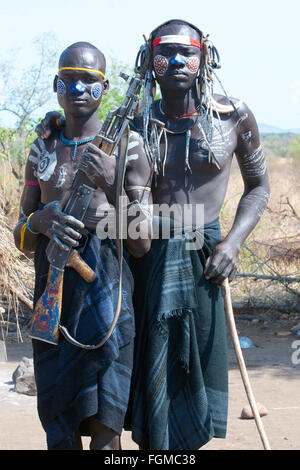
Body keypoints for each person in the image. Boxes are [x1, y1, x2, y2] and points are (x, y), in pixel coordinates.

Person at [36, 19, 270, 450]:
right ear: (148, 61)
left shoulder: (232, 115)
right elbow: (79, 125)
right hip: (140, 257)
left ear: (204, 58)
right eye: (166, 52)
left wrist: (233, 242)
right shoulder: (134, 122)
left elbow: (259, 187)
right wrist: (53, 122)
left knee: (190, 377)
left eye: (188, 52)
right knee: (140, 381)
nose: (178, 60)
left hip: (205, 259)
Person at [13, 41, 152, 450]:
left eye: (88, 82)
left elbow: (141, 244)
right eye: (67, 80)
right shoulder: (43, 148)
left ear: (105, 88)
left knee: (107, 428)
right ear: (56, 85)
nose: (76, 89)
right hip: (52, 292)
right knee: (59, 426)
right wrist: (38, 221)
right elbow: (20, 237)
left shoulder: (130, 149)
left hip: (106, 293)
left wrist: (112, 183)